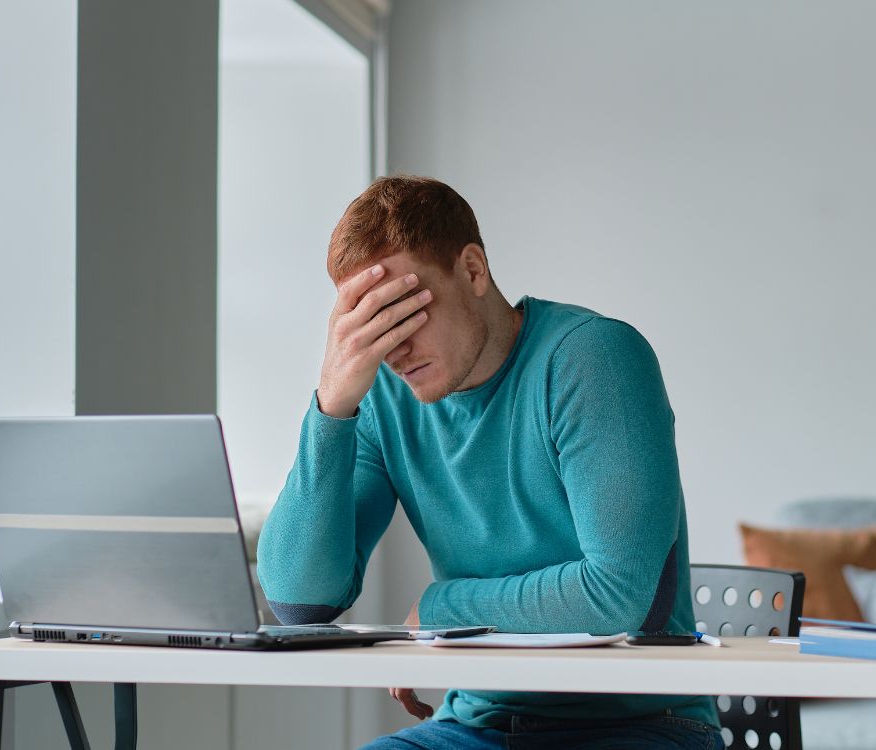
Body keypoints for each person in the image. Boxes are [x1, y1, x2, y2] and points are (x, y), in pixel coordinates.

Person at [256, 175, 722, 750]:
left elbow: (619, 599)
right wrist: (332, 404)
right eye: (371, 323)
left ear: (472, 270)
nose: (393, 348)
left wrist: (439, 608)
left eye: (404, 309)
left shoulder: (592, 359)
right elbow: (301, 603)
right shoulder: (382, 399)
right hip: (477, 725)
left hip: (641, 727)